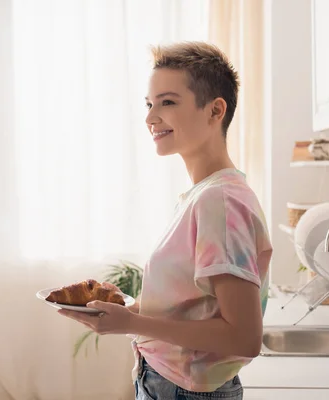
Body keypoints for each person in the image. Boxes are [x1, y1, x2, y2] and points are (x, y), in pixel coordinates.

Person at [58, 41, 272, 400]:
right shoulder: (206, 195)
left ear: (215, 110)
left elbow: (244, 338)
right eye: (149, 104)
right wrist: (128, 310)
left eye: (168, 102)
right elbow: (198, 306)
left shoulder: (218, 201)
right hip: (168, 383)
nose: (150, 117)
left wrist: (133, 323)